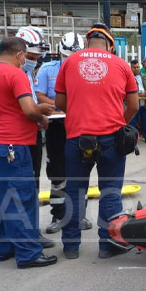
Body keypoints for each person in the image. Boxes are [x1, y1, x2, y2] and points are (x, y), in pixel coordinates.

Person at [55, 23, 139, 260]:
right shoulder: (122, 65)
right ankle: (107, 245)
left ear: (87, 40)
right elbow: (133, 106)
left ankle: (71, 246)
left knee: (74, 191)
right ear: (110, 44)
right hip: (111, 138)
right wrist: (117, 123)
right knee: (110, 192)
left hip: (77, 137)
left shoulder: (69, 62)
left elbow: (60, 103)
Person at [0, 36, 57, 268]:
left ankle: (3, 247)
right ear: (20, 55)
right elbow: (29, 109)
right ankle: (28, 253)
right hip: (13, 146)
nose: (27, 62)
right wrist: (42, 113)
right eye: (27, 57)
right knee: (21, 199)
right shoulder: (16, 74)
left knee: (1, 198)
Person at [35, 31, 92, 236]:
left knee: (81, 172)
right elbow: (39, 94)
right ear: (60, 52)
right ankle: (58, 215)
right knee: (58, 173)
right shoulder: (47, 70)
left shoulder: (88, 71)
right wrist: (62, 105)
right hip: (57, 127)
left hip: (80, 126)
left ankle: (79, 214)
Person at [15, 26, 55, 182]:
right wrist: (40, 113)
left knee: (34, 177)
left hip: (33, 134)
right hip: (20, 138)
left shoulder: (28, 74)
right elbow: (22, 110)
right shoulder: (13, 76)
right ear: (20, 53)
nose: (34, 61)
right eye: (31, 57)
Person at [130, 59, 146, 143]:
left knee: (145, 121)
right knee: (133, 123)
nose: (136, 69)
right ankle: (133, 141)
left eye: (137, 67)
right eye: (134, 67)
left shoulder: (144, 76)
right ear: (131, 68)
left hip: (145, 102)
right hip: (134, 102)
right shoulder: (128, 78)